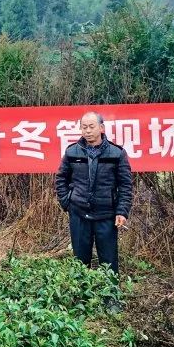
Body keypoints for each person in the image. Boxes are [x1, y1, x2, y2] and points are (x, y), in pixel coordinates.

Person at [54, 111, 133, 282]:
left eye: (91, 126)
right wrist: (67, 202)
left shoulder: (116, 153)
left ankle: (110, 294)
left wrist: (122, 211)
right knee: (80, 261)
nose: (88, 131)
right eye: (84, 127)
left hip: (106, 215)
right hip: (79, 214)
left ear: (101, 128)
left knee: (109, 261)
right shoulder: (72, 152)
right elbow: (61, 179)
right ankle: (81, 294)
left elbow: (125, 185)